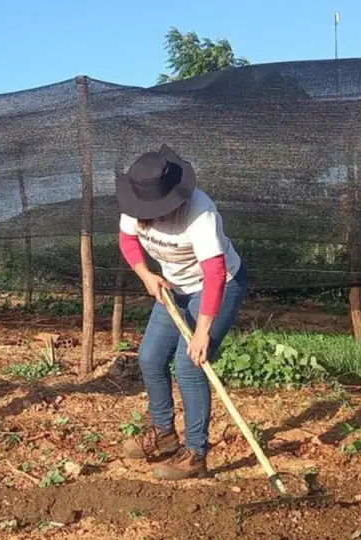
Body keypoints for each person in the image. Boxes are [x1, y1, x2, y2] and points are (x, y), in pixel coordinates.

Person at [115, 144, 247, 481]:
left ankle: (195, 454)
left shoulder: (201, 212)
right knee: (149, 358)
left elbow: (215, 274)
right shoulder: (135, 205)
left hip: (217, 286)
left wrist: (203, 331)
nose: (157, 214)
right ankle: (163, 435)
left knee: (189, 365)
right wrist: (147, 275)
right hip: (173, 287)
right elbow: (127, 241)